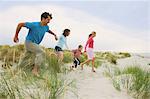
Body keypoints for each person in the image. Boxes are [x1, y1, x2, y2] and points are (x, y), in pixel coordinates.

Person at [13, 12, 58, 76]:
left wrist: (54, 35)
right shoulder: (34, 25)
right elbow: (20, 24)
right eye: (48, 20)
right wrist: (16, 36)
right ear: (43, 18)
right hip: (29, 42)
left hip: (34, 44)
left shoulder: (46, 27)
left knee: (25, 59)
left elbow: (48, 30)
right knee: (41, 52)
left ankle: (16, 70)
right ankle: (35, 70)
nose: (49, 21)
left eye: (49, 20)